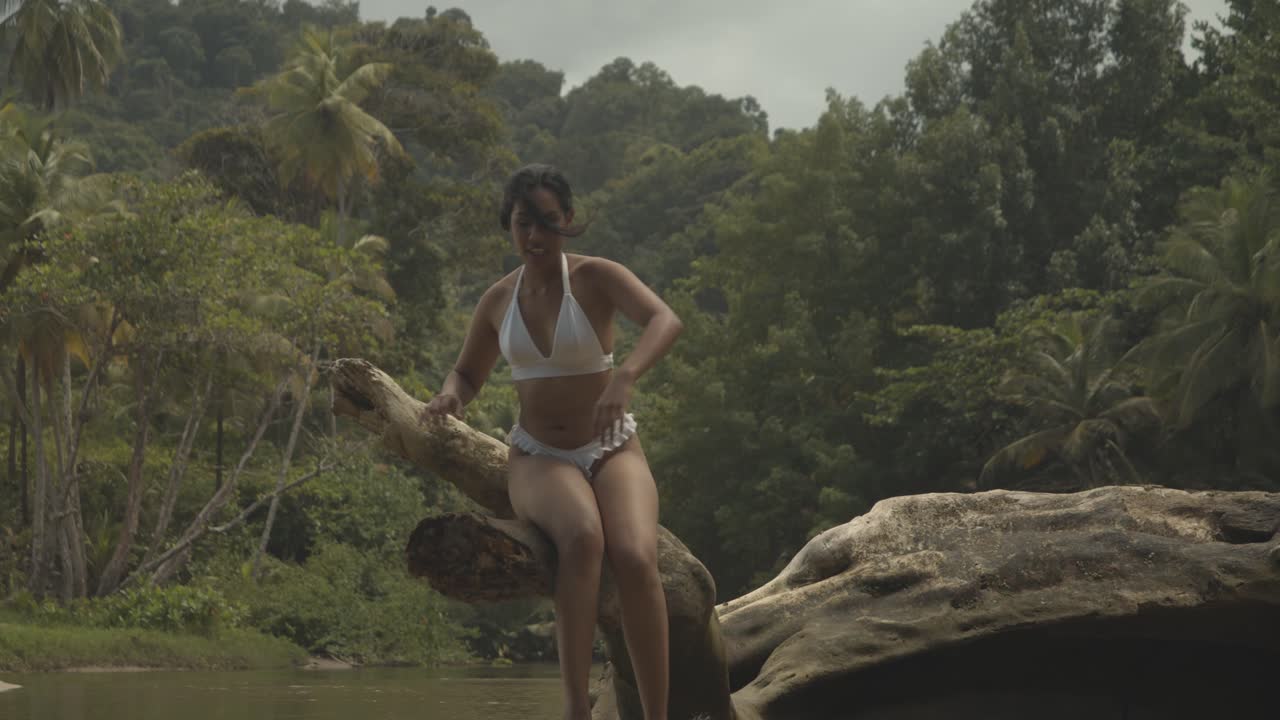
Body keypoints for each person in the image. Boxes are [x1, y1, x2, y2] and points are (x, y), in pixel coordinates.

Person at [419, 164, 681, 720]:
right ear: (510, 225)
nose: (535, 235)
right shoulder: (497, 300)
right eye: (523, 223)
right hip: (540, 456)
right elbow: (466, 374)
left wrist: (626, 376)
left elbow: (664, 320)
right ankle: (575, 708)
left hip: (612, 447)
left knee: (636, 556)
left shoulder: (596, 276)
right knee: (583, 537)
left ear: (567, 220)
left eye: (547, 221)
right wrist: (449, 396)